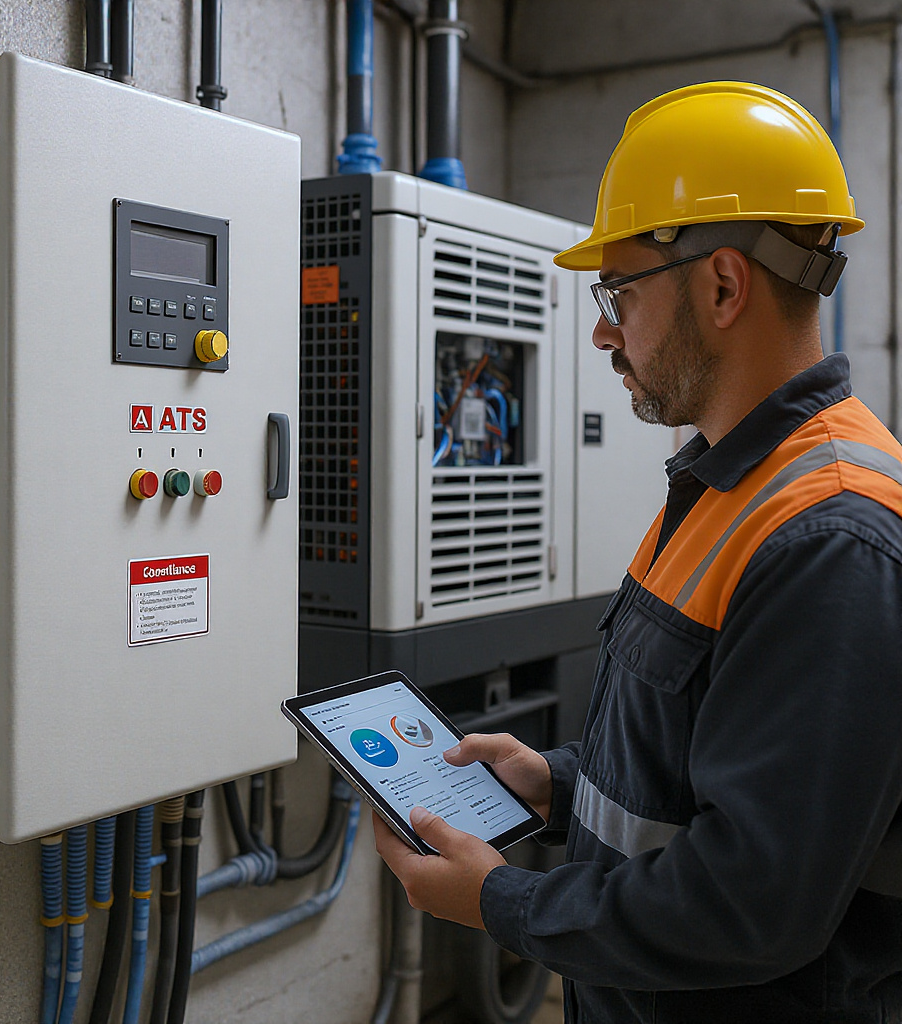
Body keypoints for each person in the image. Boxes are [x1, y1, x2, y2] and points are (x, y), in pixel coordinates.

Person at [373, 81, 902, 1023]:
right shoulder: (726, 483)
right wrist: (558, 779)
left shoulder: (828, 536)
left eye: (617, 291)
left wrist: (502, 901)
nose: (603, 330)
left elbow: (751, 903)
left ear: (724, 285)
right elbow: (709, 765)